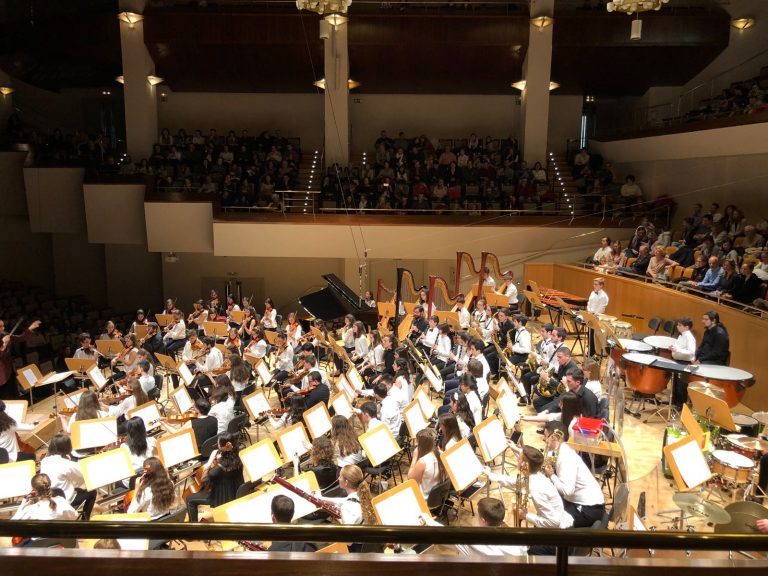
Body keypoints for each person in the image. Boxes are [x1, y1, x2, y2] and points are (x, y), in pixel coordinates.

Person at [485, 445, 573, 532]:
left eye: (519, 458)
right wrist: (492, 475)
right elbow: (516, 482)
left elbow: (553, 522)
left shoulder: (536, 489)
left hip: (556, 531)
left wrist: (525, 516)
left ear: (525, 465)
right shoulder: (536, 476)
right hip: (553, 520)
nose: (517, 460)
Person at [542, 421, 605, 528]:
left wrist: (551, 476)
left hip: (589, 509)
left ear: (555, 437)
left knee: (550, 519)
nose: (544, 439)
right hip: (580, 502)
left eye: (546, 436)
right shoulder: (562, 449)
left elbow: (567, 491)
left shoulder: (565, 458)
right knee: (549, 506)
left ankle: (556, 544)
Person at [420, 497, 527, 556]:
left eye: (478, 516)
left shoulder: (472, 540)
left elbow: (444, 534)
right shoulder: (517, 540)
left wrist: (428, 520)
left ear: (483, 521)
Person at [185, 433, 244, 522]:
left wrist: (210, 461)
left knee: (190, 499)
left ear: (221, 448)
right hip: (235, 494)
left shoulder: (219, 467)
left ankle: (194, 528)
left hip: (222, 498)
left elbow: (204, 479)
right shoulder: (239, 458)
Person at [39, 433, 96, 519]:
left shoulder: (44, 461)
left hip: (47, 498)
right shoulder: (67, 464)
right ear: (67, 448)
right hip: (65, 500)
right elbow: (84, 473)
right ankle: (85, 520)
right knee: (92, 492)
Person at [1, 319, 41, 399]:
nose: (3, 328)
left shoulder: (4, 335)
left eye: (3, 326)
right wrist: (4, 344)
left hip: (9, 371)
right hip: (1, 375)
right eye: (0, 326)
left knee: (14, 395)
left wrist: (30, 329)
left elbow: (20, 338)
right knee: (5, 397)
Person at [11, 473, 77, 522]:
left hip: (38, 540)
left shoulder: (30, 510)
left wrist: (23, 505)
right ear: (50, 484)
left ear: (34, 490)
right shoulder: (61, 501)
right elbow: (74, 516)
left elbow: (13, 523)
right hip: (62, 540)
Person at [407, 428, 446, 499]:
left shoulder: (423, 462)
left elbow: (411, 481)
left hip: (424, 500)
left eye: (417, 442)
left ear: (422, 444)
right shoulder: (442, 454)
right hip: (439, 497)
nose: (415, 444)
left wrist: (414, 458)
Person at [670, 317, 697, 410]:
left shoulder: (689, 337)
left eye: (679, 325)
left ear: (686, 327)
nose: (677, 326)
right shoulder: (681, 335)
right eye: (677, 325)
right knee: (675, 383)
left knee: (681, 385)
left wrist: (677, 349)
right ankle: (674, 402)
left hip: (685, 363)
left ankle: (681, 405)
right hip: (678, 361)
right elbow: (679, 347)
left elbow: (691, 352)